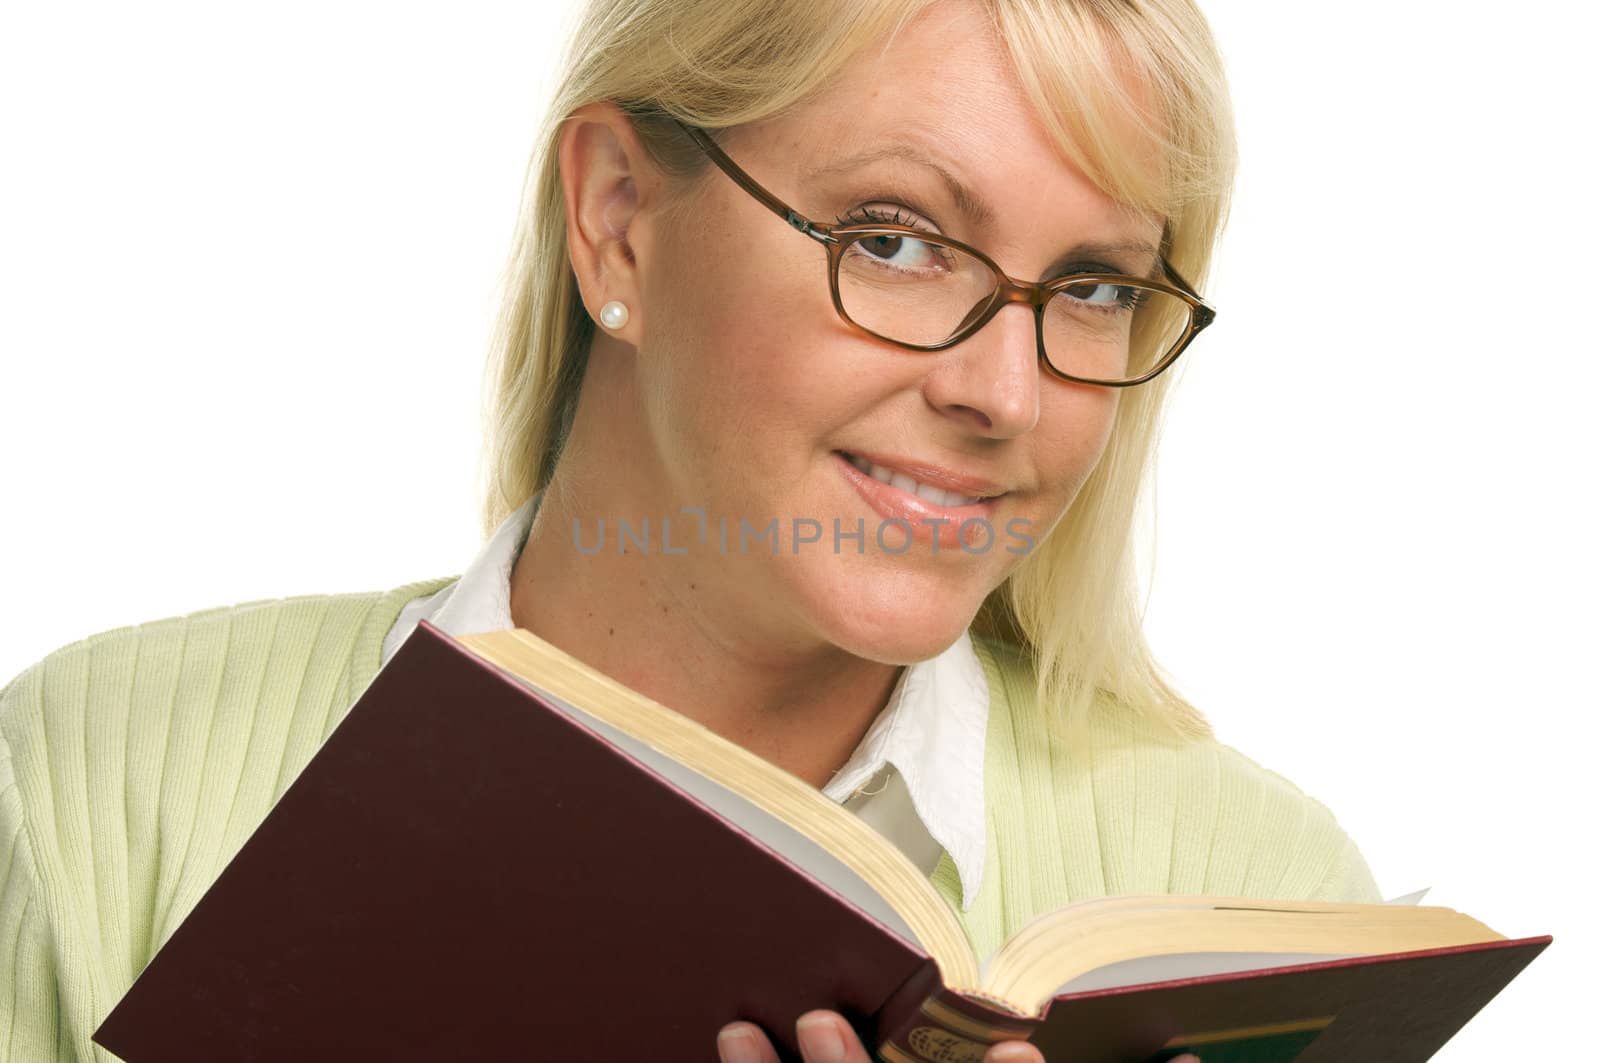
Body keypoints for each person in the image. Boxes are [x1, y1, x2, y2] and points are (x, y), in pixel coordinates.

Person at [0, 0, 1378, 1060]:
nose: (1004, 394)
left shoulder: (1254, 903)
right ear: (618, 221)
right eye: (893, 239)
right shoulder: (98, 790)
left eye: (1091, 287)